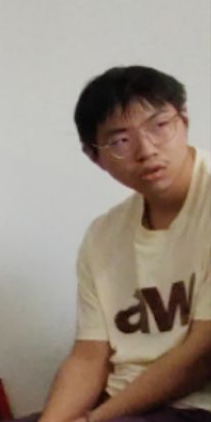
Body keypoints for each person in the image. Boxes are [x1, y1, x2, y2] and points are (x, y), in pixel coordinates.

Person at [28, 66, 211, 422]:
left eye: (160, 126)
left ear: (184, 120)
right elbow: (88, 357)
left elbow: (202, 355)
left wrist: (94, 420)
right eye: (120, 141)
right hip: (121, 407)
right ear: (94, 156)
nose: (146, 150)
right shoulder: (102, 236)